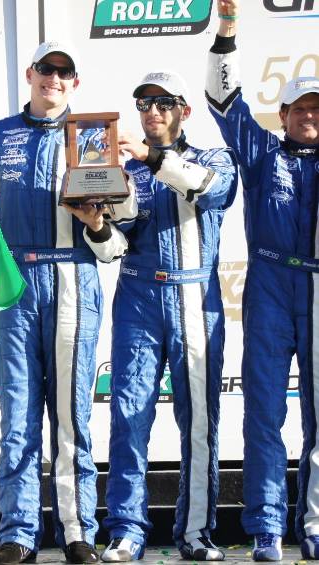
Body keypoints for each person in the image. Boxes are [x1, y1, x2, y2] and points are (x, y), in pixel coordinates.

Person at [0, 41, 133, 565]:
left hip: (72, 277)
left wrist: (97, 223)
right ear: (30, 73)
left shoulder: (94, 137)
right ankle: (18, 534)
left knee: (71, 419)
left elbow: (114, 247)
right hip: (15, 283)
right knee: (17, 417)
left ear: (75, 83)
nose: (55, 80)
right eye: (47, 70)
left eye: (65, 73)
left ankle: (76, 531)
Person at [73, 71, 236, 562]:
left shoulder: (212, 158)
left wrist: (149, 157)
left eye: (164, 103)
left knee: (199, 421)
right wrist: (97, 226)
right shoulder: (122, 172)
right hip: (139, 297)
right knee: (128, 415)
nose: (153, 112)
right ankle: (126, 530)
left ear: (184, 111)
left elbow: (209, 189)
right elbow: (113, 249)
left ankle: (195, 532)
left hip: (194, 297)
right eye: (144, 103)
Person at [206, 0, 319, 560]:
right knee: (266, 413)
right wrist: (227, 34)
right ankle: (268, 528)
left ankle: (316, 525)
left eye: (317, 108)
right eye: (299, 107)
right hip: (271, 285)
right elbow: (225, 102)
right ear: (285, 111)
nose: (308, 116)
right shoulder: (262, 153)